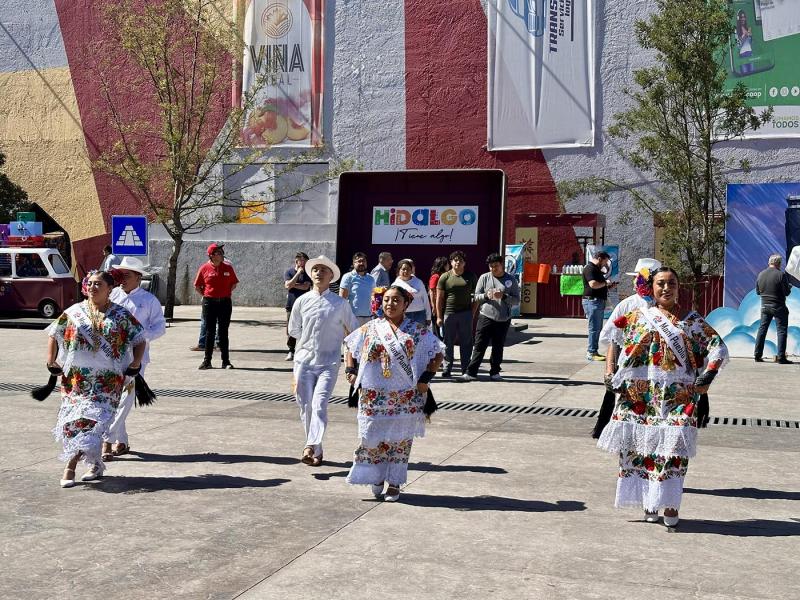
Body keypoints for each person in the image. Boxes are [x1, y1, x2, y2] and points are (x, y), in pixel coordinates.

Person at [597, 267, 728, 527]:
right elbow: (614, 338)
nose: (666, 288)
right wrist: (609, 370)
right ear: (652, 287)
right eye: (660, 283)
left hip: (678, 398)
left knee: (673, 452)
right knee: (641, 450)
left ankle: (670, 505)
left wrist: (708, 377)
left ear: (679, 288)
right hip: (640, 396)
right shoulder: (638, 316)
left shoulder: (691, 321)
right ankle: (649, 502)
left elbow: (718, 348)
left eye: (671, 283)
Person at [45, 270, 146, 487]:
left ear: (110, 289)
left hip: (107, 381)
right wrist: (51, 361)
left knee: (94, 423)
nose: (92, 287)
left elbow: (139, 339)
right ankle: (96, 463)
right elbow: (54, 333)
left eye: (98, 284)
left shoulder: (121, 315)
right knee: (74, 423)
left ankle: (70, 465)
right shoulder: (74, 312)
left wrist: (135, 363)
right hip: (76, 379)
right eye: (90, 284)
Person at [344, 285, 444, 501]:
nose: (390, 304)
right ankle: (376, 476)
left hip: (405, 396)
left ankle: (395, 483)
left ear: (406, 304)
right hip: (373, 396)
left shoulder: (417, 331)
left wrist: (426, 378)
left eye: (396, 300)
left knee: (399, 440)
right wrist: (350, 370)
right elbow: (349, 346)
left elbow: (438, 351)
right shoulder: (371, 327)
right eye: (387, 300)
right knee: (371, 438)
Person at [288, 255, 358, 466]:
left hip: (329, 362)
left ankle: (309, 445)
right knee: (305, 405)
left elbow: (354, 331)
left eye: (323, 270)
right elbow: (293, 329)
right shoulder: (301, 301)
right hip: (303, 361)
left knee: (319, 404)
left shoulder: (340, 303)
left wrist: (350, 361)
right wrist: (307, 341)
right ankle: (316, 450)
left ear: (331, 276)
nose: (319, 272)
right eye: (315, 269)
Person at [102, 257, 166, 459]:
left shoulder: (149, 300)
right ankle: (123, 441)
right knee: (112, 399)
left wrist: (139, 336)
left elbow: (159, 327)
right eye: (120, 276)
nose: (122, 280)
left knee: (125, 399)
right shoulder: (112, 298)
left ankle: (108, 440)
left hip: (136, 358)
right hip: (110, 356)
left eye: (127, 275)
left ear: (138, 277)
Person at [592, 257, 661, 438]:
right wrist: (609, 370)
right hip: (629, 366)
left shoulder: (665, 306)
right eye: (637, 278)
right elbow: (613, 340)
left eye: (642, 279)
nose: (638, 282)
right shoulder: (628, 305)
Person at [461, 253, 520, 382]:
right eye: (491, 266)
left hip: (503, 318)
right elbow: (475, 296)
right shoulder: (484, 278)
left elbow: (516, 300)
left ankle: (495, 372)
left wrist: (504, 296)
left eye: (496, 266)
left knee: (498, 346)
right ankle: (471, 372)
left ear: (502, 265)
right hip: (486, 316)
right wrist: (486, 296)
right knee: (479, 345)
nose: (493, 269)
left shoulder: (511, 280)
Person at [194, 243, 238, 370]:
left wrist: (224, 293)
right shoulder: (204, 268)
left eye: (221, 252)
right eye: (218, 252)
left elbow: (234, 284)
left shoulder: (228, 268)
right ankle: (207, 361)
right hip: (209, 303)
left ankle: (226, 361)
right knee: (210, 332)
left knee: (223, 332)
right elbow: (197, 286)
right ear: (212, 255)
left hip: (225, 302)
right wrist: (207, 296)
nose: (221, 254)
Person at [436, 250, 477, 378]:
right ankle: (447, 368)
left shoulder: (471, 276)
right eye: (455, 260)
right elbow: (439, 298)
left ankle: (465, 369)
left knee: (466, 342)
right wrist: (438, 316)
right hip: (449, 314)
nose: (458, 262)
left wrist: (472, 313)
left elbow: (476, 297)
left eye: (460, 260)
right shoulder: (445, 277)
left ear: (464, 263)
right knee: (448, 342)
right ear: (451, 262)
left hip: (465, 313)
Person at [754, 253, 793, 364]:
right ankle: (781, 357)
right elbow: (786, 293)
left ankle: (757, 355)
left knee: (762, 329)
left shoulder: (761, 274)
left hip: (765, 306)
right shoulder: (781, 275)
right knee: (781, 331)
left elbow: (757, 292)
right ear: (779, 263)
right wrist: (789, 286)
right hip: (778, 306)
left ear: (769, 262)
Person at [582, 251, 616, 361]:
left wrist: (608, 286)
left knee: (597, 328)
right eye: (605, 262)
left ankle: (594, 351)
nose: (605, 265)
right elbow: (593, 284)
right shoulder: (590, 268)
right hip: (592, 301)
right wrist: (605, 283)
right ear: (600, 258)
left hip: (597, 301)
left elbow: (599, 285)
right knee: (594, 328)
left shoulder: (596, 269)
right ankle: (591, 352)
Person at [284, 252, 311, 360]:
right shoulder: (289, 272)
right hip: (291, 304)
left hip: (306, 306)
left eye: (306, 261)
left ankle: (304, 350)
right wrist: (298, 274)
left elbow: (306, 287)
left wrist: (293, 285)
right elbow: (288, 285)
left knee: (306, 327)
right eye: (303, 261)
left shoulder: (308, 273)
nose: (305, 263)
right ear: (297, 261)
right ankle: (291, 350)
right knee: (291, 329)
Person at [339, 252, 376, 326]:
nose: (361, 263)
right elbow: (342, 298)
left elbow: (373, 296)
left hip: (369, 318)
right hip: (353, 318)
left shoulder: (371, 279)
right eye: (359, 261)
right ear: (353, 263)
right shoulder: (348, 277)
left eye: (363, 261)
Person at [392, 258, 432, 326]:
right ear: (399, 270)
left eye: (408, 269)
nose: (406, 271)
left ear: (411, 271)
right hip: (404, 315)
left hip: (420, 314)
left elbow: (425, 299)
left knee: (420, 336)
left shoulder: (418, 282)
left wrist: (428, 317)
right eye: (403, 269)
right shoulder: (395, 285)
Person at [428, 256, 449, 338]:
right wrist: (434, 307)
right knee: (437, 331)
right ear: (443, 265)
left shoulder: (445, 275)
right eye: (447, 264)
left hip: (444, 306)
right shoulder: (436, 276)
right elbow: (432, 292)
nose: (449, 266)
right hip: (438, 307)